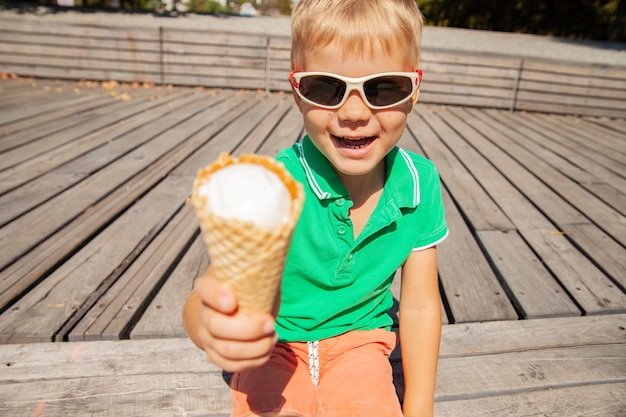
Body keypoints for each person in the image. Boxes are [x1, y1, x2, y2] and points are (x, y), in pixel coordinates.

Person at [183, 0, 448, 415]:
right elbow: (207, 296)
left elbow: (419, 305)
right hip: (274, 345)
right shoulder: (273, 186)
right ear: (297, 91)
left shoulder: (420, 184)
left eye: (384, 87)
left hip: (361, 341)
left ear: (414, 90)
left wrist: (420, 408)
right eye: (325, 87)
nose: (355, 113)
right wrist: (210, 326)